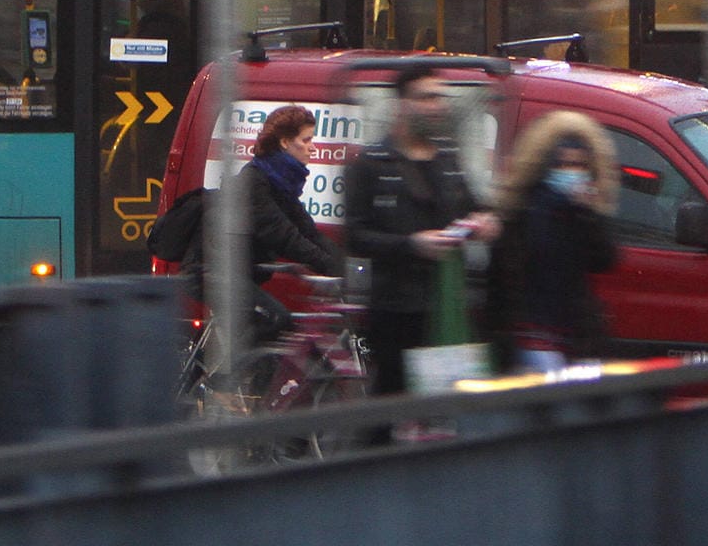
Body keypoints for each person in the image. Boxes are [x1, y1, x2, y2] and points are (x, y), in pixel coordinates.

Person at [345, 66, 498, 395]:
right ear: (402, 104)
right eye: (426, 97)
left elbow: (474, 205)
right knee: (391, 406)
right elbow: (355, 236)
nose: (436, 105)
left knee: (447, 408)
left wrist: (485, 221)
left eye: (439, 97)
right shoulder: (371, 163)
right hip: (396, 310)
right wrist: (412, 244)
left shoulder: (447, 159)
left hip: (446, 305)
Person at [183, 103, 344, 344]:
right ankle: (229, 379)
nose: (313, 148)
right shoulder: (254, 182)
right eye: (307, 140)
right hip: (210, 272)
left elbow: (310, 233)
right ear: (285, 142)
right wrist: (330, 267)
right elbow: (285, 236)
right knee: (277, 318)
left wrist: (346, 265)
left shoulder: (281, 184)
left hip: (240, 273)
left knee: (274, 329)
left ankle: (252, 376)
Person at [486, 112, 619, 374]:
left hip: (572, 335)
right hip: (532, 333)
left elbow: (605, 259)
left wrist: (588, 215)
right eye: (565, 165)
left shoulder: (582, 213)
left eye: (580, 165)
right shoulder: (526, 210)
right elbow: (506, 273)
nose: (572, 173)